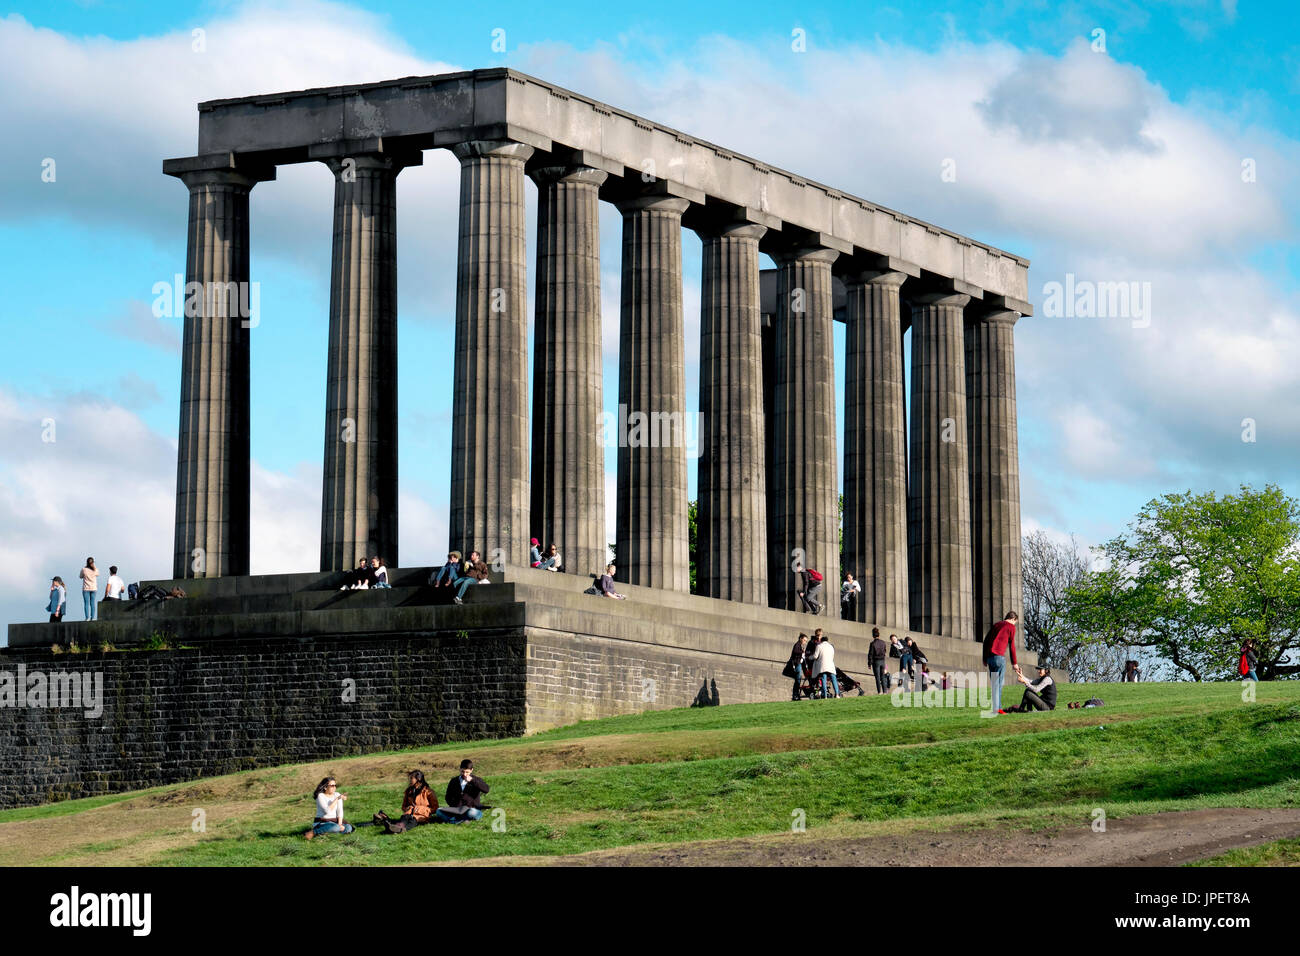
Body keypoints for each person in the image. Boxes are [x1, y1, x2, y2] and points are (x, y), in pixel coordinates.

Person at [373, 770, 439, 834]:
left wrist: (421, 809)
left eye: (411, 778)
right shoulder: (408, 791)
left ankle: (399, 829)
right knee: (404, 818)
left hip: (422, 816)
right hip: (408, 814)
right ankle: (394, 827)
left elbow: (435, 809)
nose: (409, 780)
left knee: (413, 820)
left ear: (418, 779)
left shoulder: (428, 792)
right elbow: (403, 807)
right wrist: (407, 808)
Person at [982, 611, 1020, 715]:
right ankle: (998, 709)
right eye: (1015, 622)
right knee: (998, 684)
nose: (1014, 625)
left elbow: (986, 641)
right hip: (999, 658)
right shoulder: (1011, 627)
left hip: (990, 658)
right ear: (1013, 619)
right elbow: (1012, 646)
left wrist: (984, 658)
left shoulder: (996, 625)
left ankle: (996, 708)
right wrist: (1014, 663)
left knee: (994, 684)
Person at [437, 759, 490, 823]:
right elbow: (448, 796)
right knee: (439, 811)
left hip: (471, 809)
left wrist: (472, 781)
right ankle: (460, 820)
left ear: (471, 770)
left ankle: (454, 820)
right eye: (462, 771)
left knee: (472, 813)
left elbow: (486, 789)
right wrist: (454, 806)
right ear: (460, 769)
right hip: (456, 809)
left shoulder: (476, 780)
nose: (464, 774)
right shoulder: (454, 781)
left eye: (467, 772)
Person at [811, 632, 839, 699]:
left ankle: (825, 695)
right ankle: (837, 694)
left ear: (821, 641)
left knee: (824, 679)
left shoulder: (819, 646)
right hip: (831, 666)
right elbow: (832, 656)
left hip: (823, 666)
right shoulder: (831, 646)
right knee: (834, 679)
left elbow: (815, 656)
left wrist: (809, 657)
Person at [787, 633, 810, 701]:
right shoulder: (797, 645)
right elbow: (795, 651)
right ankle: (795, 695)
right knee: (797, 680)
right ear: (800, 639)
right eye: (804, 640)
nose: (805, 642)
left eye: (806, 641)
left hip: (799, 665)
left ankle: (796, 695)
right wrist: (802, 652)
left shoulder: (799, 645)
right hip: (797, 665)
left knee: (798, 680)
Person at [867, 627, 889, 694]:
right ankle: (885, 692)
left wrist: (869, 664)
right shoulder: (883, 642)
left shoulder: (872, 644)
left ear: (873, 635)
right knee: (883, 677)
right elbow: (885, 651)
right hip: (882, 661)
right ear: (879, 635)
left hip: (876, 662)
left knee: (877, 677)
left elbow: (870, 654)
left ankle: (879, 692)